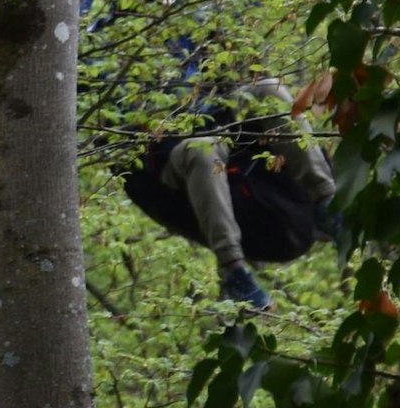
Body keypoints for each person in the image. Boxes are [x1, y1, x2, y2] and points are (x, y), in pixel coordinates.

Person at [123, 71, 339, 311]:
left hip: (224, 121)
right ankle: (233, 270)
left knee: (268, 89)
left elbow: (241, 67)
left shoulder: (200, 36)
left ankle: (326, 200)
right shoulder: (111, 55)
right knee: (203, 149)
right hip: (172, 153)